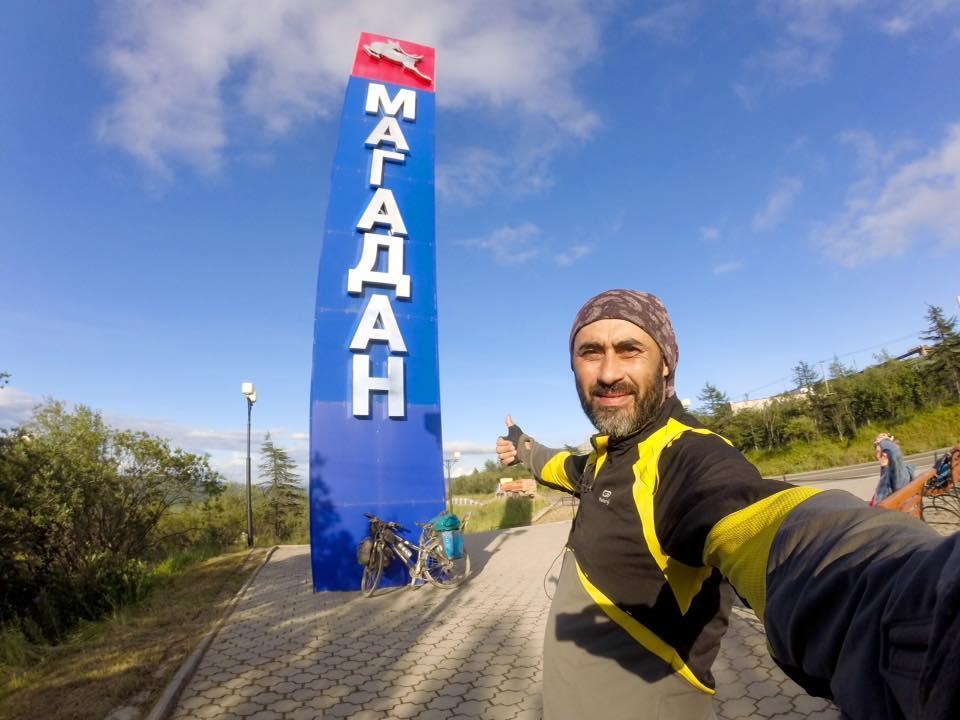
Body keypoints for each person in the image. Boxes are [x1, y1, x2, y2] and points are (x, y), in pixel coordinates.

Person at [496, 289, 959, 720]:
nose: (609, 372)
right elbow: (552, 464)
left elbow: (783, 533)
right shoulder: (600, 461)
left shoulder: (689, 457)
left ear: (665, 367)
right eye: (590, 352)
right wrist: (521, 444)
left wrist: (923, 611)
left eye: (630, 350)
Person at [872, 433, 916, 505]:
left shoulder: (899, 473)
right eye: (877, 452)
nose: (878, 456)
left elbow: (894, 452)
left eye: (882, 452)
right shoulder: (887, 470)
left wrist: (884, 441)